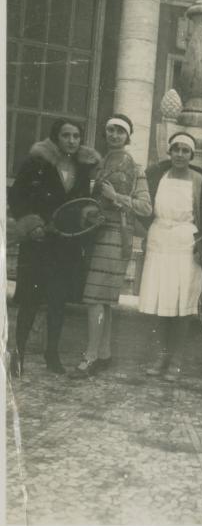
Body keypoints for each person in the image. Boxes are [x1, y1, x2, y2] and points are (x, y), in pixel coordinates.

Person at [8, 119, 101, 376]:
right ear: (55, 138)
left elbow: (84, 203)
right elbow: (16, 198)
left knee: (58, 302)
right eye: (66, 135)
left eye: (76, 136)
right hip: (38, 243)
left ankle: (52, 355)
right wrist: (32, 225)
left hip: (65, 244)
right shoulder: (36, 163)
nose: (72, 140)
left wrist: (89, 216)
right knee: (30, 301)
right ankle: (18, 354)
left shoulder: (82, 169)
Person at [71, 114, 152, 378]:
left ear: (128, 136)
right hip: (95, 233)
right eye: (110, 130)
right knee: (100, 299)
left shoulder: (136, 168)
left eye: (120, 131)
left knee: (95, 297)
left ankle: (91, 355)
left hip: (117, 235)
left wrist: (115, 196)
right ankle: (103, 353)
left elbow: (145, 207)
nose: (115, 135)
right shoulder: (99, 165)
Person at [138, 132, 202, 382]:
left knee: (182, 304)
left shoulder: (200, 180)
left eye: (185, 151)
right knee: (159, 302)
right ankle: (160, 356)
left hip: (186, 244)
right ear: (169, 152)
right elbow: (144, 206)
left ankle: (176, 360)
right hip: (158, 241)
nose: (180, 155)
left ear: (192, 155)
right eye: (176, 149)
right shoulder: (156, 176)